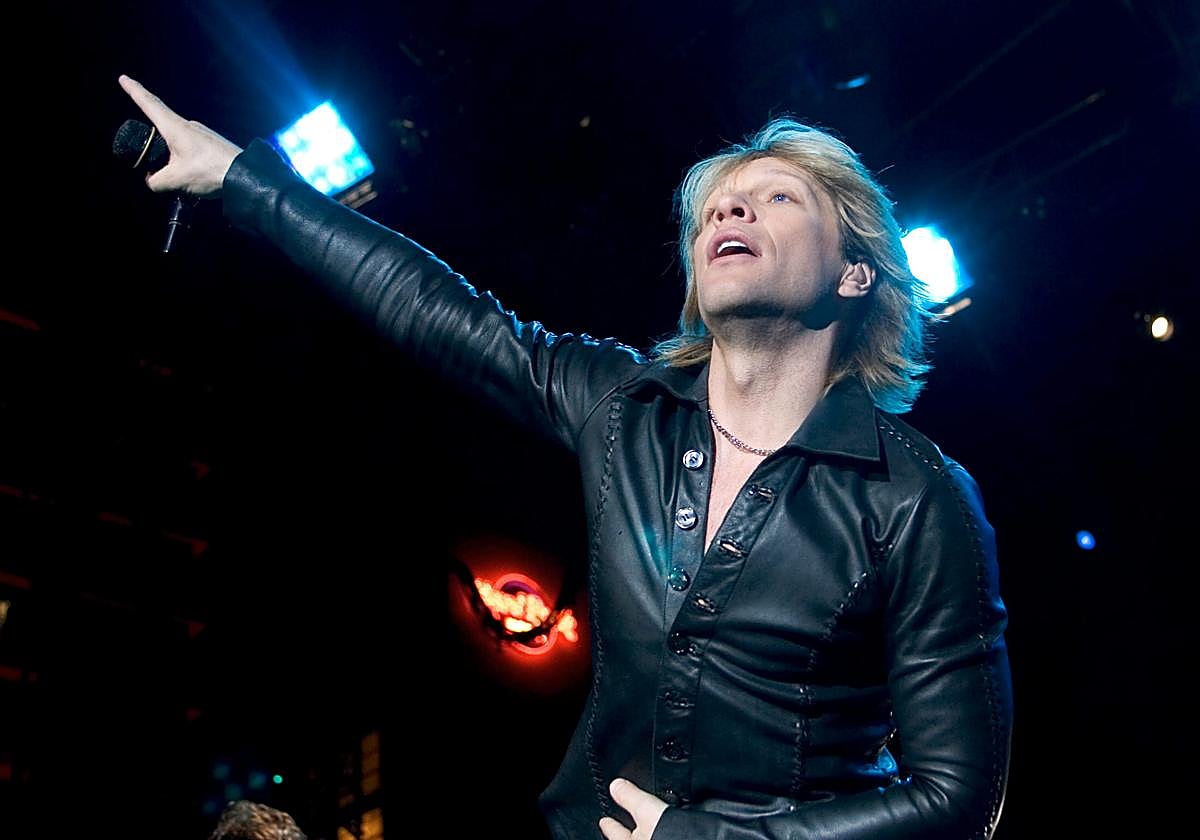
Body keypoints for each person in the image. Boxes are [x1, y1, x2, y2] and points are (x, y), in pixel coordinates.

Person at [118, 74, 1013, 839]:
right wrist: (240, 177)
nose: (728, 209)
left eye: (780, 198)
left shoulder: (919, 497)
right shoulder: (623, 407)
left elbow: (959, 799)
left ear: (855, 274)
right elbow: (431, 309)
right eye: (713, 206)